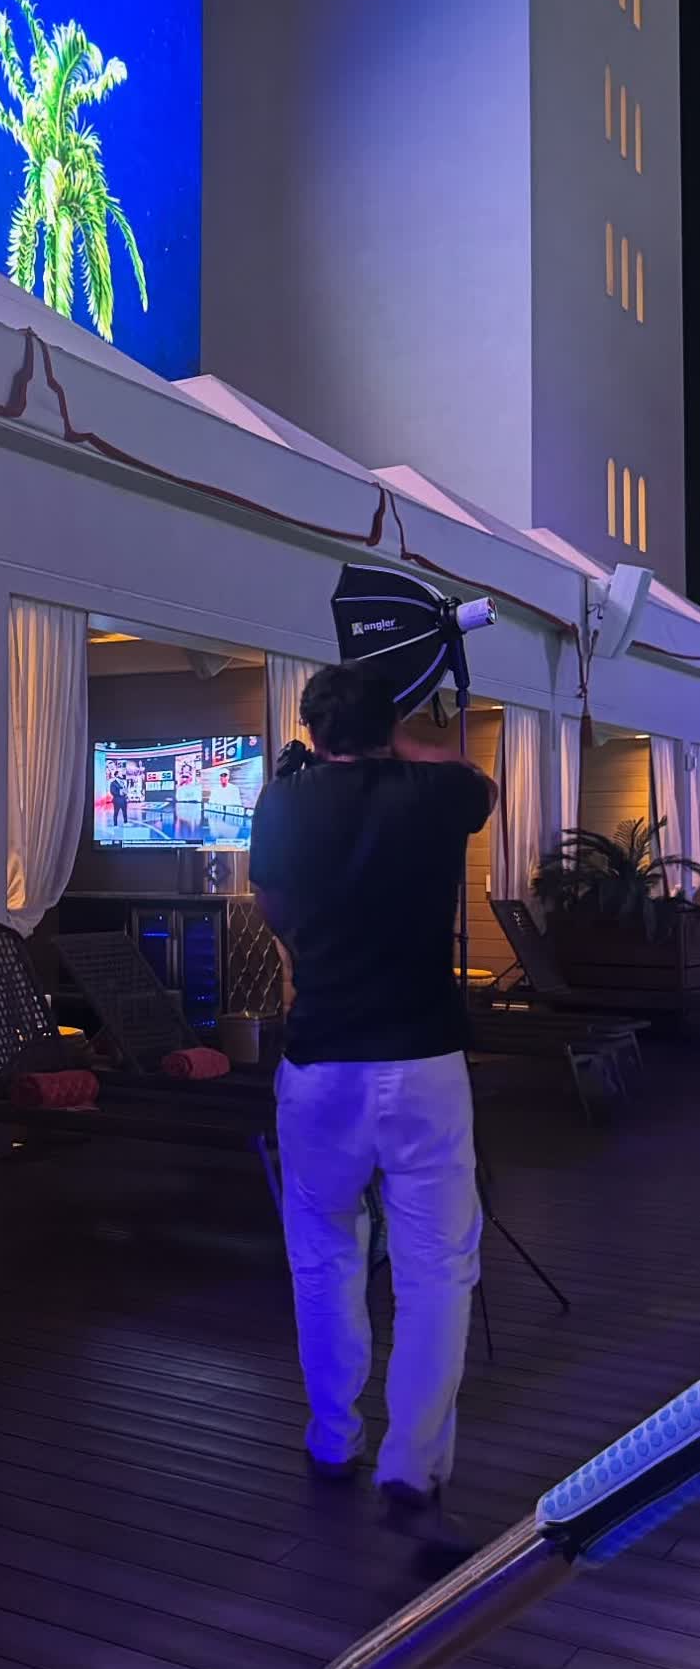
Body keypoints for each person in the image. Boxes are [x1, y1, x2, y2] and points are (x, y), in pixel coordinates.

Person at [248, 664, 497, 1574]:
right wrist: (405, 741)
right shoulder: (432, 794)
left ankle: (331, 1436)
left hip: (321, 1062)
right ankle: (412, 1469)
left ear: (312, 732)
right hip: (422, 1062)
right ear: (388, 728)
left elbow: (274, 908)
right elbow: (481, 784)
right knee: (437, 1269)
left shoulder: (282, 801)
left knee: (323, 1251)